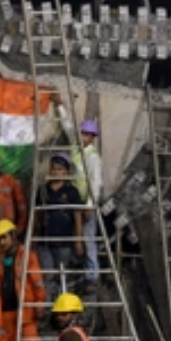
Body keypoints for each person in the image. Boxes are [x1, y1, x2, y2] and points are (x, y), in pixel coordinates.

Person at [0, 220, 45, 341]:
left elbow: (37, 283)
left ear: (13, 235)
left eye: (4, 238)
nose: (1, 243)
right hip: (6, 311)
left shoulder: (27, 256)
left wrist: (39, 306)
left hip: (25, 309)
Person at [35, 152, 85, 300]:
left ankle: (63, 308)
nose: (57, 172)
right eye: (54, 169)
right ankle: (49, 308)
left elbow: (77, 217)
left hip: (64, 241)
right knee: (48, 275)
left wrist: (78, 240)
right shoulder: (43, 191)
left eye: (61, 169)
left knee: (62, 275)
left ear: (66, 172)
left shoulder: (71, 192)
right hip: (45, 241)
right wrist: (32, 237)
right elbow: (37, 215)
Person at [70, 118, 104, 281]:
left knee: (89, 239)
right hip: (75, 201)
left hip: (85, 202)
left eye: (88, 135)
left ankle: (92, 276)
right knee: (76, 237)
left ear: (92, 138)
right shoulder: (77, 151)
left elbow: (96, 182)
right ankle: (80, 273)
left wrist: (90, 205)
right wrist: (60, 106)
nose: (85, 137)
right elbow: (67, 127)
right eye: (83, 133)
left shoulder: (93, 157)